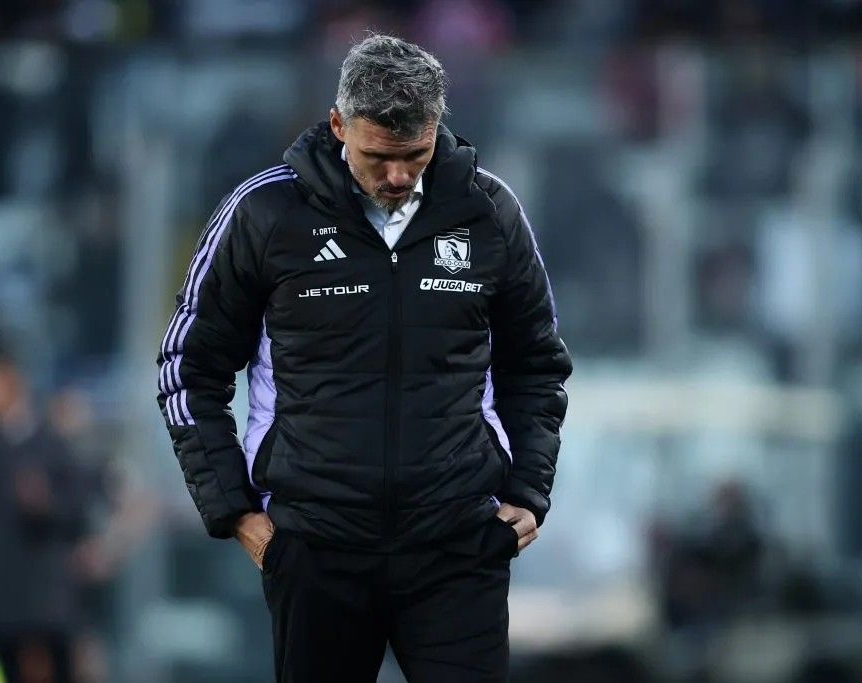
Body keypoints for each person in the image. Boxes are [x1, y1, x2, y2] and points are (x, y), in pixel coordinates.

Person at [156, 34, 572, 683]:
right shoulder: (265, 213)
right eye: (380, 156)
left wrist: (528, 491)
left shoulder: (490, 212)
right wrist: (237, 512)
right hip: (316, 549)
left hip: (457, 547)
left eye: (416, 154)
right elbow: (187, 365)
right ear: (337, 125)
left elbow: (537, 362)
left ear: (438, 128)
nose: (400, 176)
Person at [0, 344, 88, 683]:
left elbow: (78, 511)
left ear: (9, 381)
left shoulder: (49, 445)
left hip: (39, 614)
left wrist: (46, 506)